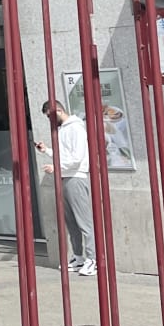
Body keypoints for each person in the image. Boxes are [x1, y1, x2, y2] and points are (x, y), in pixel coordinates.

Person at [36, 99, 97, 276]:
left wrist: (56, 167)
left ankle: (92, 259)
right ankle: (79, 257)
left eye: (50, 116)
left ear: (59, 111)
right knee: (71, 222)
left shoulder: (75, 128)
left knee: (84, 222)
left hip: (76, 178)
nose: (49, 120)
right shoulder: (63, 129)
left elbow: (77, 157)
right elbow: (64, 155)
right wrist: (46, 151)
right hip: (65, 177)